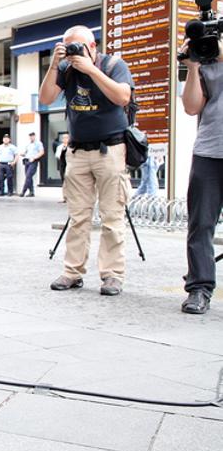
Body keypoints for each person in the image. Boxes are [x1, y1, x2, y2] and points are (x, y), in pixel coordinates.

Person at [40, 25, 133, 296]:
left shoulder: (114, 65)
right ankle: (72, 272)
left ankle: (112, 275)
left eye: (78, 47)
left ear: (93, 47)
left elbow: (122, 97)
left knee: (112, 216)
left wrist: (91, 69)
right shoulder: (66, 70)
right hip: (78, 153)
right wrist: (55, 65)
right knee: (77, 216)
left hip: (111, 150)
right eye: (68, 48)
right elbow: (46, 98)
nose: (73, 53)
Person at [178, 37, 223, 314]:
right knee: (200, 225)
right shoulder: (206, 63)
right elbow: (192, 107)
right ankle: (199, 288)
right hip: (209, 151)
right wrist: (193, 67)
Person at [20, 132, 45, 197]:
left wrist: (34, 158)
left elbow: (42, 152)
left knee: (28, 176)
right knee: (28, 177)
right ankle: (31, 192)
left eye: (32, 136)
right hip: (27, 161)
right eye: (30, 136)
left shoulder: (38, 143)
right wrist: (23, 154)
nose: (31, 137)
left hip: (33, 161)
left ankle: (23, 191)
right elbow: (26, 152)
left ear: (34, 136)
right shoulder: (28, 144)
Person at [55, 133, 70, 202]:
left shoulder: (71, 146)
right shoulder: (59, 147)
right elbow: (58, 156)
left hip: (70, 165)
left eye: (66, 138)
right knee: (64, 181)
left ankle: (71, 197)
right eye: (63, 138)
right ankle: (65, 197)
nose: (65, 139)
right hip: (63, 165)